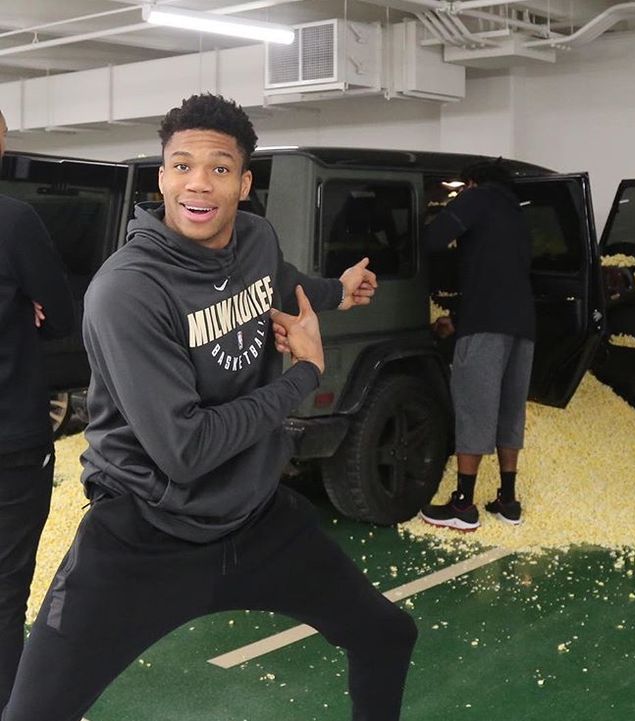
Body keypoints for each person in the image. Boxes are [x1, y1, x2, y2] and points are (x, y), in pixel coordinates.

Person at [1, 94, 417, 721]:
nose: (199, 183)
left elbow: (277, 279)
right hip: (143, 534)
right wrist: (304, 372)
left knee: (388, 633)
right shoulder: (127, 291)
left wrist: (340, 292)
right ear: (163, 176)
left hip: (255, 517)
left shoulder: (255, 237)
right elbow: (186, 449)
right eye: (182, 165)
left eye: (220, 168)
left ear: (245, 183)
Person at [0, 110, 74, 710]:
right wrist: (30, 305)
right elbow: (65, 314)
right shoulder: (14, 220)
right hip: (10, 446)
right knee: (2, 598)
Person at [419, 160, 536, 531]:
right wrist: (458, 314)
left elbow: (432, 238)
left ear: (471, 183)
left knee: (473, 406)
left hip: (485, 325)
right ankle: (508, 500)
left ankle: (463, 505)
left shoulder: (477, 199)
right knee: (509, 409)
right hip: (523, 325)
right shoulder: (516, 212)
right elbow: (495, 270)